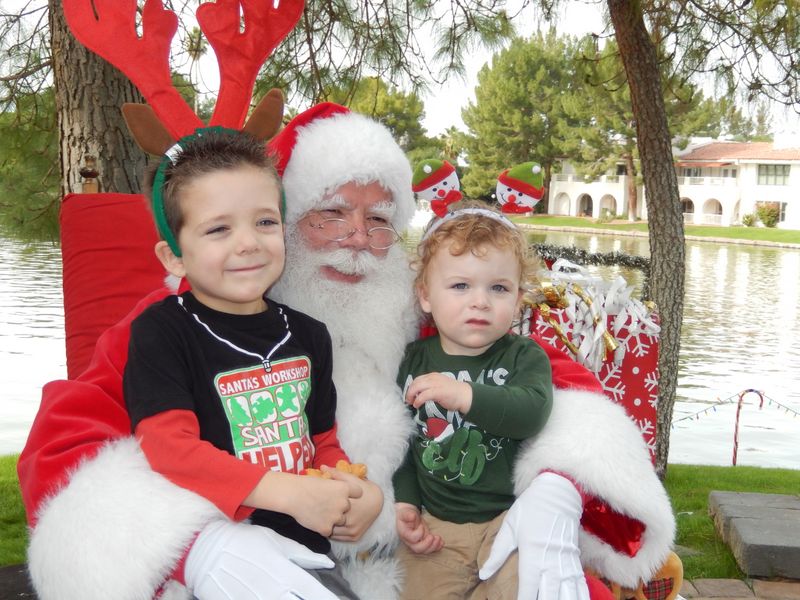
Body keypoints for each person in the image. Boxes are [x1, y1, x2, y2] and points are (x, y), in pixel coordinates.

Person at [18, 103, 675, 600]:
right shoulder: (170, 322)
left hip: (427, 558)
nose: (357, 239)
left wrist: (556, 492)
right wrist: (198, 545)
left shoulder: (425, 307)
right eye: (330, 213)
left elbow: (558, 388)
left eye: (380, 217)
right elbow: (69, 443)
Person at [122, 128, 379, 599]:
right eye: (219, 228)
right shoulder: (163, 331)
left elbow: (320, 440)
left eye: (264, 222)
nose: (248, 243)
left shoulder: (308, 335)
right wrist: (284, 492)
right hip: (219, 557)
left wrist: (356, 491)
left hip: (307, 555)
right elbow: (167, 449)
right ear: (174, 256)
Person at [392, 201, 554, 599]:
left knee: (529, 586)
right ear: (426, 296)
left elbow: (532, 413)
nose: (480, 301)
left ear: (518, 301)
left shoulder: (523, 356)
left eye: (498, 288)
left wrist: (464, 394)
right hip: (437, 528)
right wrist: (405, 503)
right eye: (461, 286)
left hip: (510, 520)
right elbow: (401, 446)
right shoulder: (412, 360)